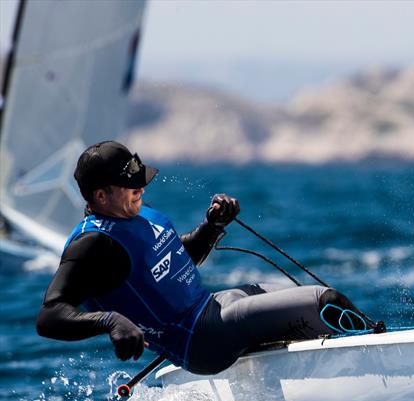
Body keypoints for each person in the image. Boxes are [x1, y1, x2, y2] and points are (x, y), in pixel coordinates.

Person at [36, 140, 377, 375]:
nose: (141, 188)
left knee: (309, 300)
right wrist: (110, 321)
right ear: (100, 195)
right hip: (200, 339)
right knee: (326, 303)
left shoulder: (135, 212)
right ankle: (381, 361)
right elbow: (50, 315)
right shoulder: (91, 244)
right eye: (131, 185)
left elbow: (172, 260)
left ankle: (346, 362)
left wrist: (212, 226)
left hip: (213, 306)